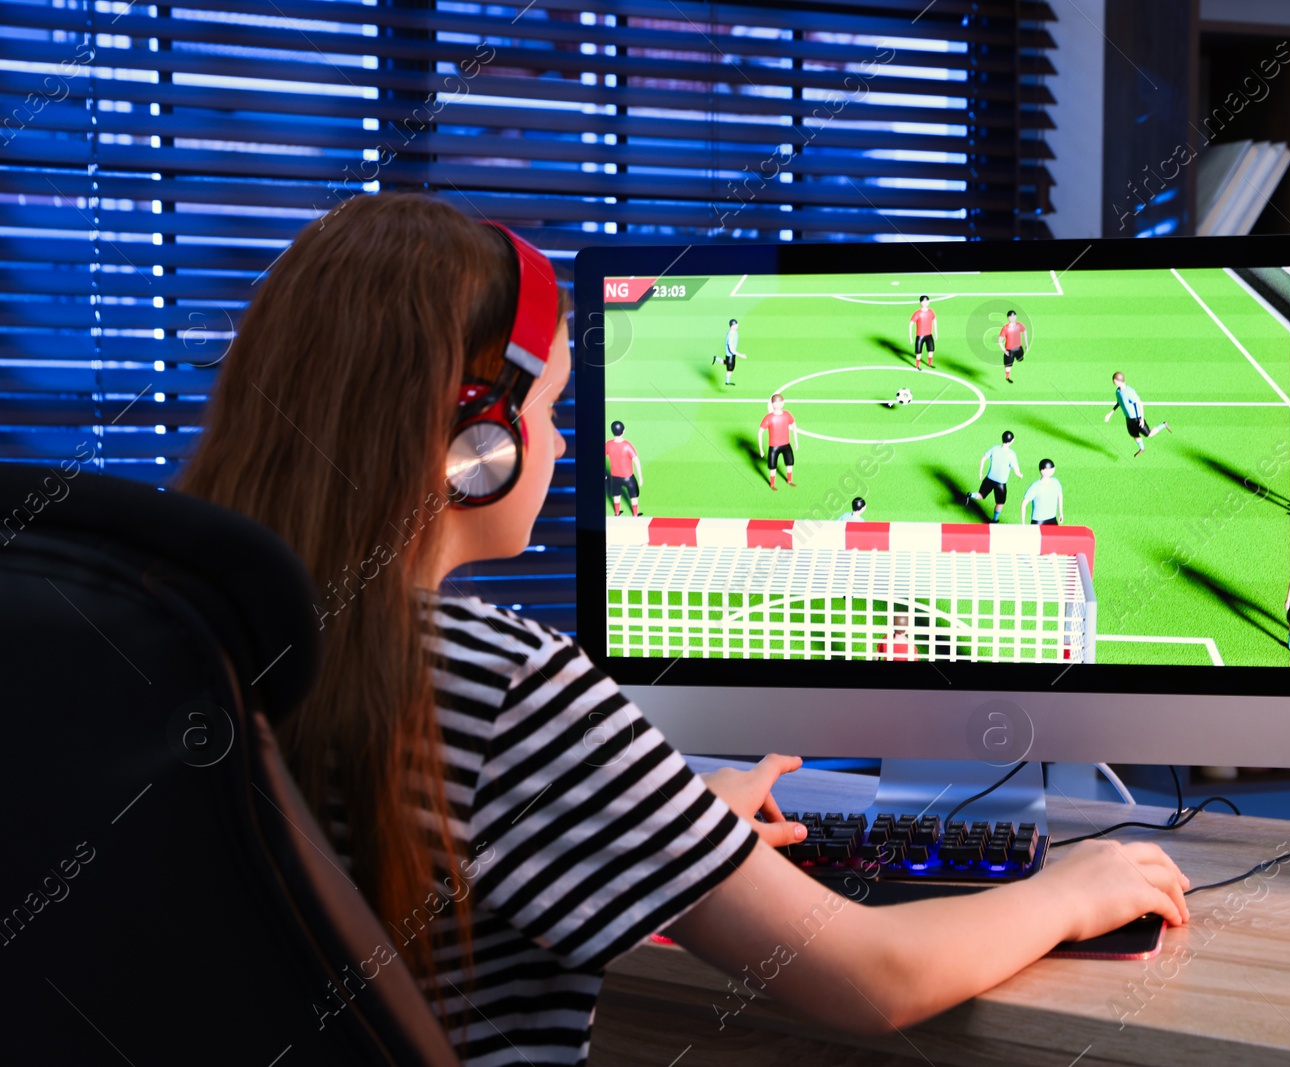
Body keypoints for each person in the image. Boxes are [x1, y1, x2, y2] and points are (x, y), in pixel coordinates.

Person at [177, 194, 1189, 1065]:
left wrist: (662, 817)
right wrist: (1074, 887)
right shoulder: (505, 688)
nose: (563, 440)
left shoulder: (184, 640)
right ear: (475, 440)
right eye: (552, 407)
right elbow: (871, 976)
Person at [1103, 370, 1171, 456]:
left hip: (1137, 419)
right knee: (1134, 435)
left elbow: (1140, 404)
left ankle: (1164, 425)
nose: (1113, 382)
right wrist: (1110, 413)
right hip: (1128, 419)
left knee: (1148, 434)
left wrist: (1142, 419)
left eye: (1114, 381)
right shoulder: (1118, 392)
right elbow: (1119, 402)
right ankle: (1142, 449)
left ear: (1118, 381)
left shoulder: (1130, 392)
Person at [967, 429, 1022, 523]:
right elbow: (1016, 469)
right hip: (1000, 483)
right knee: (1000, 503)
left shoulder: (994, 448)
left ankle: (970, 495)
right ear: (1012, 440)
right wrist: (1020, 475)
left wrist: (980, 472)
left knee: (981, 495)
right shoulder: (1011, 454)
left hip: (989, 479)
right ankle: (995, 519)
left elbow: (983, 459)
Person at [759, 391, 798, 491]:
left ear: (783, 403)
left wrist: (796, 441)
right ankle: (772, 484)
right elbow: (760, 432)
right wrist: (761, 449)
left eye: (780, 402)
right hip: (774, 446)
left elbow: (794, 425)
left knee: (790, 462)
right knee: (773, 466)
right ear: (772, 404)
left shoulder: (787, 414)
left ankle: (789, 480)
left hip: (786, 444)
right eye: (776, 402)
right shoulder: (769, 418)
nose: (778, 404)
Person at [604, 419, 643, 516]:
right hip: (628, 476)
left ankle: (617, 512)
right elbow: (636, 461)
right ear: (623, 431)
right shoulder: (627, 445)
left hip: (615, 476)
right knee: (633, 495)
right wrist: (640, 477)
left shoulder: (608, 444)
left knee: (616, 494)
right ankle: (635, 513)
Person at [1021, 457, 1064, 525]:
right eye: (1048, 469)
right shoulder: (1035, 486)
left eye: (1052, 468)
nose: (1051, 470)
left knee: (1054, 535)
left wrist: (1061, 513)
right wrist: (1023, 523)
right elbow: (1024, 504)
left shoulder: (1056, 482)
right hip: (1039, 520)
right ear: (1042, 470)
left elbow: (1060, 495)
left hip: (1052, 518)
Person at [715, 316, 747, 385]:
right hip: (730, 354)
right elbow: (731, 349)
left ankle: (716, 358)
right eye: (736, 324)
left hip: (731, 354)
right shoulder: (731, 335)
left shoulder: (734, 332)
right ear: (732, 326)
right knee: (730, 369)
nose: (737, 325)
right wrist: (741, 355)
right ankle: (727, 382)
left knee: (728, 363)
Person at [998, 309, 1027, 384]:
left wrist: (1026, 343)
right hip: (1009, 350)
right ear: (1008, 318)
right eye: (1011, 317)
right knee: (1008, 365)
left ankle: (1017, 358)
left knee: (1020, 359)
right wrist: (1004, 350)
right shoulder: (1005, 328)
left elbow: (1024, 331)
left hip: (1019, 348)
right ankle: (1007, 377)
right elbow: (999, 341)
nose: (1013, 318)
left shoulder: (1019, 325)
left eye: (1014, 316)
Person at [909, 294, 937, 371]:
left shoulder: (931, 312)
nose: (925, 303)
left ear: (928, 302)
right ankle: (917, 366)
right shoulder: (917, 313)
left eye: (926, 301)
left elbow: (934, 321)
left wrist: (935, 332)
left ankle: (930, 363)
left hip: (929, 335)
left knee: (931, 349)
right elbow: (911, 324)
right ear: (920, 302)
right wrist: (910, 337)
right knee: (919, 351)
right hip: (920, 336)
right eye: (923, 301)